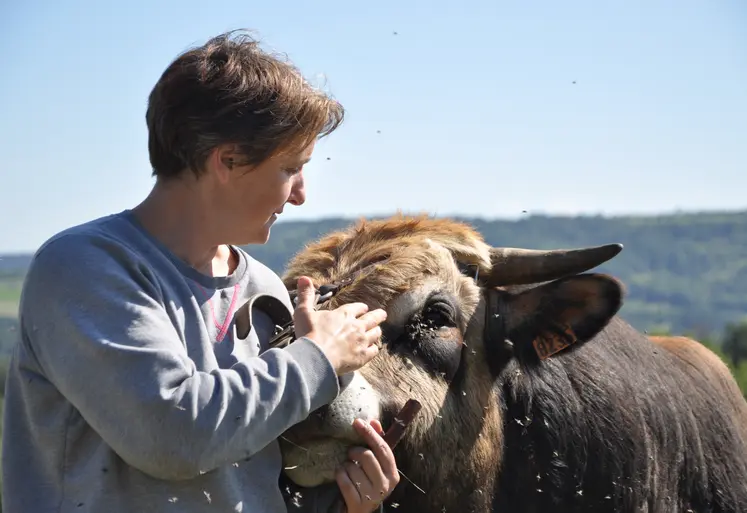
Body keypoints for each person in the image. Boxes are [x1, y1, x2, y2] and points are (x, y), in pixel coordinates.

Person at [1, 30, 399, 513]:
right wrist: (321, 357)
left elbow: (249, 478)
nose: (300, 194)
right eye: (290, 168)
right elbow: (172, 435)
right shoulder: (84, 268)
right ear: (227, 161)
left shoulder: (264, 289)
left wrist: (346, 503)